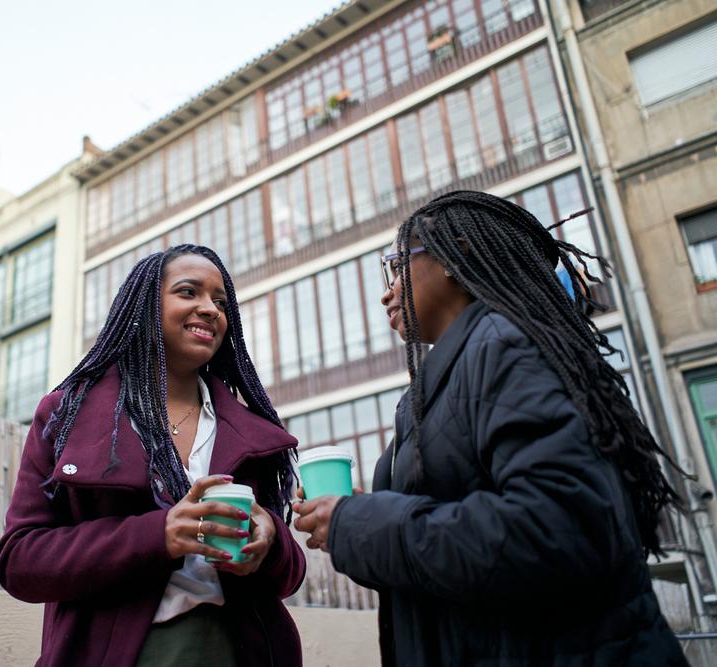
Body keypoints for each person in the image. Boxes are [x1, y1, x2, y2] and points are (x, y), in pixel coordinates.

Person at [293, 191, 688, 665]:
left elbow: (556, 532)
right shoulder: (451, 375)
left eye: (397, 266)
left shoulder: (507, 347)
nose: (387, 290)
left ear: (455, 257)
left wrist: (359, 522)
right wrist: (353, 523)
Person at [0, 244, 305, 666]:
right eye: (188, 292)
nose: (210, 309)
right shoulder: (66, 415)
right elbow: (20, 560)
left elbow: (289, 576)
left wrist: (270, 539)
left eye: (220, 301)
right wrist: (159, 535)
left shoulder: (254, 433)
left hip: (240, 651)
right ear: (143, 306)